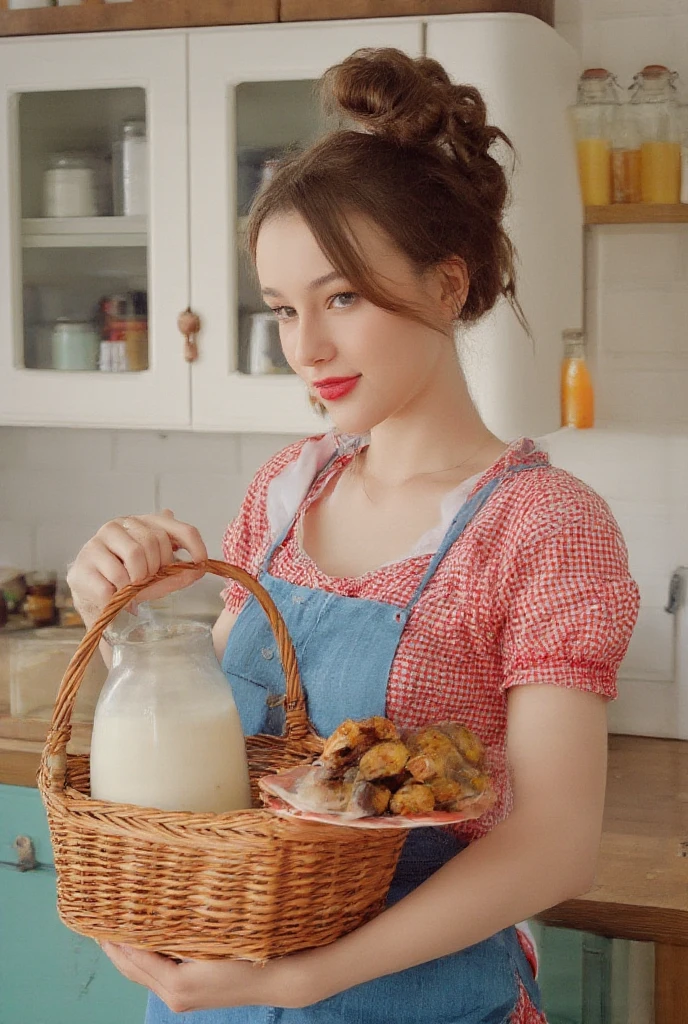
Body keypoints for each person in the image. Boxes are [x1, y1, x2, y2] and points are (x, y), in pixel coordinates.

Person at [66, 47, 640, 1024]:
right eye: (284, 309)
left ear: (448, 284)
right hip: (211, 996)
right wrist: (124, 619)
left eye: (341, 298)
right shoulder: (286, 490)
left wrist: (300, 978)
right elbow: (219, 775)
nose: (306, 347)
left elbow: (553, 841)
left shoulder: (540, 525)